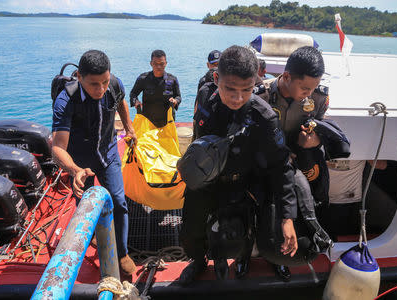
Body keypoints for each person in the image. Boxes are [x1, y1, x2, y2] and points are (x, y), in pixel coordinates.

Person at [179, 45, 298, 285]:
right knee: (191, 230)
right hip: (205, 180)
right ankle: (199, 261)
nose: (237, 97)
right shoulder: (204, 96)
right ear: (216, 79)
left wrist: (287, 217)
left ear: (255, 82)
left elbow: (280, 166)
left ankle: (240, 257)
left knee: (237, 232)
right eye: (229, 89)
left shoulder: (263, 117)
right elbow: (197, 135)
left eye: (246, 90)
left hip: (241, 184)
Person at [52, 50, 137, 275]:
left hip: (108, 153)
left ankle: (121, 253)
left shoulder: (115, 85)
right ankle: (95, 245)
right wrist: (74, 170)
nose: (101, 89)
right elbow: (58, 147)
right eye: (94, 84)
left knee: (119, 201)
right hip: (81, 164)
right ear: (79, 76)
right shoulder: (66, 100)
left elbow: (121, 103)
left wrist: (129, 128)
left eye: (105, 82)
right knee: (87, 209)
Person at [257, 46, 330, 281]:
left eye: (312, 88)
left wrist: (314, 141)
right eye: (305, 88)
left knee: (290, 211)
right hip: (264, 162)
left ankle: (281, 258)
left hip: (296, 163)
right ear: (286, 77)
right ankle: (244, 257)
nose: (308, 94)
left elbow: (321, 129)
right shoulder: (261, 95)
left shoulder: (318, 97)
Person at [130, 50, 181, 128]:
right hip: (148, 122)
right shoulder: (143, 78)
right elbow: (133, 93)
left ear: (166, 63)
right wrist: (135, 101)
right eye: (155, 64)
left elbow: (178, 96)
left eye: (161, 64)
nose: (158, 67)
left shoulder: (172, 79)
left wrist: (175, 101)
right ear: (151, 63)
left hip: (167, 122)